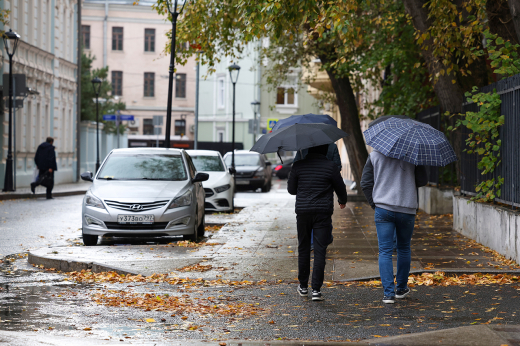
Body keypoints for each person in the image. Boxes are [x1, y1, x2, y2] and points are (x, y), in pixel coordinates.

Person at [361, 150, 427, 304]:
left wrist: (375, 204)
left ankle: (388, 294)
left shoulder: (374, 155)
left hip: (383, 209)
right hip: (406, 209)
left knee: (385, 250)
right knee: (404, 248)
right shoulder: (413, 155)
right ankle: (401, 288)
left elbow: (365, 183)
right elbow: (422, 180)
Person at [288, 144, 348, 301]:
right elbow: (340, 187)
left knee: (303, 248)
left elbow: (291, 190)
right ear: (325, 150)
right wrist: (342, 200)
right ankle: (316, 290)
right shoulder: (330, 166)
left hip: (303, 212)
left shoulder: (298, 165)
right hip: (322, 212)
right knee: (320, 250)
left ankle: (302, 286)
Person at [294, 143, 342, 250]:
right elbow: (338, 166)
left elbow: (295, 165)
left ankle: (316, 241)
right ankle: (323, 238)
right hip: (325, 187)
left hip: (306, 188)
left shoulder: (302, 147)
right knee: (323, 213)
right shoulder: (332, 146)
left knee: (308, 214)